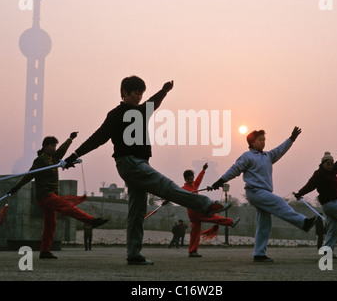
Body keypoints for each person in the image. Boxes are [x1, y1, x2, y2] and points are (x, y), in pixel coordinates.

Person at [62, 76, 231, 265]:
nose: (140, 97)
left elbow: (153, 102)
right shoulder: (116, 114)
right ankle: (205, 205)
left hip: (140, 164)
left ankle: (133, 254)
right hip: (130, 163)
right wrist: (73, 155)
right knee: (164, 185)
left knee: (136, 211)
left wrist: (164, 91)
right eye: (136, 93)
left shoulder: (141, 112)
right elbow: (98, 138)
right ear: (124, 93)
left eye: (142, 93)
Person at [208, 127, 318, 262]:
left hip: (264, 193)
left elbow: (280, 150)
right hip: (255, 192)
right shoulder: (247, 156)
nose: (263, 142)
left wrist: (291, 139)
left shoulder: (268, 156)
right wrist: (220, 181)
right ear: (251, 142)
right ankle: (303, 223)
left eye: (264, 140)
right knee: (280, 202)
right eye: (260, 140)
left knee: (265, 223)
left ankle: (259, 254)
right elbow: (235, 169)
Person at [8, 133, 108, 259]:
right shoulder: (40, 160)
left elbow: (61, 151)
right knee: (67, 206)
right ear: (44, 146)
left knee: (50, 225)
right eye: (51, 146)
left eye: (55, 146)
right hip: (45, 195)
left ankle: (44, 251)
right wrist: (16, 188)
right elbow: (29, 175)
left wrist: (70, 139)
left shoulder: (54, 159)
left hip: (51, 195)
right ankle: (91, 221)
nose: (54, 148)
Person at [183, 163, 240, 258]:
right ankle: (225, 215)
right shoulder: (183, 189)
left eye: (191, 179)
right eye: (188, 179)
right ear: (185, 180)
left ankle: (192, 251)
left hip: (195, 213)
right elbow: (175, 193)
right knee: (212, 216)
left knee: (195, 232)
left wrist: (203, 170)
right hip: (194, 211)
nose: (190, 181)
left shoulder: (194, 186)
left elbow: (198, 180)